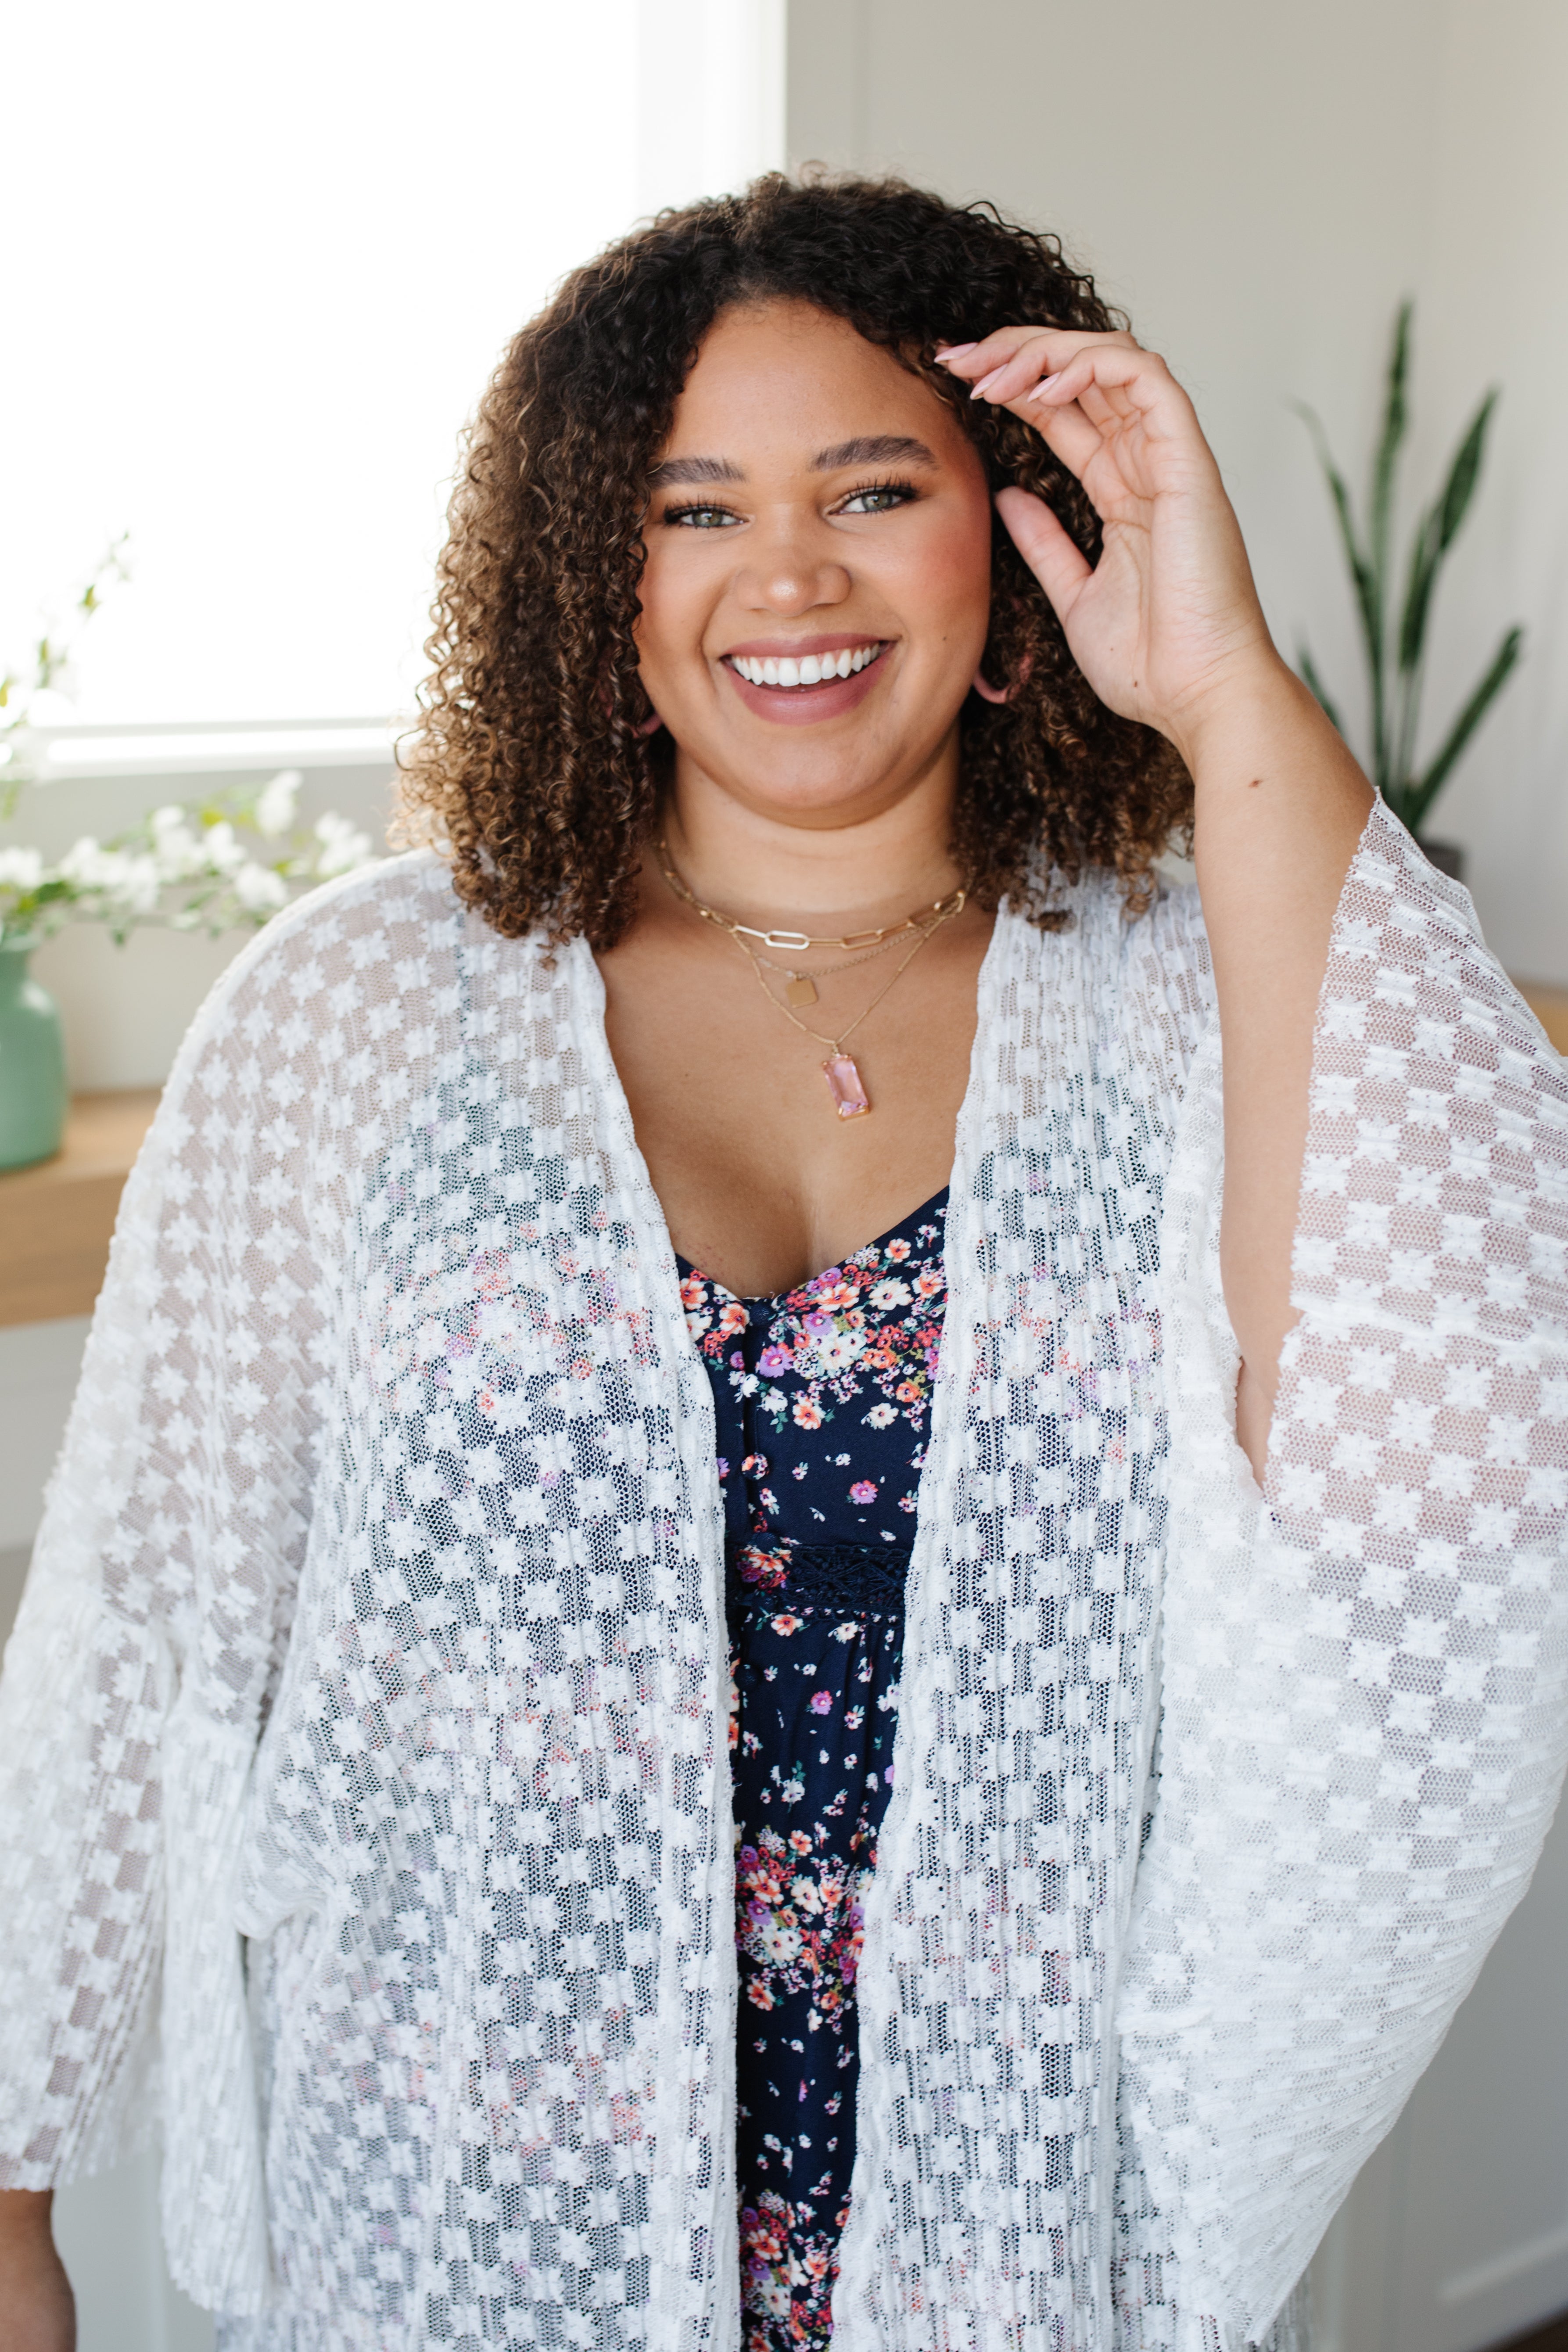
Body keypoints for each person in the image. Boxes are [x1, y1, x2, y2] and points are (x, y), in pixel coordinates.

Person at [1, 173, 1564, 2352]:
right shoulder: (365, 1010)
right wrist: (8, 2169)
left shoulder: (1194, 998)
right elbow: (139, 1620)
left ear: (1013, 531)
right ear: (594, 574)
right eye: (694, 505)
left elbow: (1454, 1453)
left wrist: (1220, 686)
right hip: (478, 2218)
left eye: (872, 484)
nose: (791, 573)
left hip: (1014, 2218)